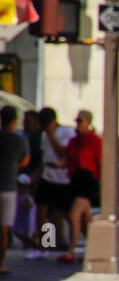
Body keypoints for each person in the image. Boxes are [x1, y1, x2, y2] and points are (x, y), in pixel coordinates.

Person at [28, 107, 73, 260]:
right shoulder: (45, 135)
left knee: (68, 214)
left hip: (63, 179)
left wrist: (52, 135)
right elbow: (44, 158)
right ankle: (45, 246)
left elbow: (62, 154)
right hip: (48, 178)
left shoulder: (66, 133)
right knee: (41, 212)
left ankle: (74, 245)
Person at [61, 109, 102, 264]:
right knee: (85, 218)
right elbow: (67, 159)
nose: (77, 124)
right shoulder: (74, 141)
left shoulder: (95, 140)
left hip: (88, 178)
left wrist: (101, 183)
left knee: (74, 215)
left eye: (80, 121)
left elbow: (99, 162)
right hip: (75, 178)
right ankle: (95, 249)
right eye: (77, 120)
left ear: (88, 122)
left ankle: (71, 250)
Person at [0, 106, 30, 273]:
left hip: (10, 185)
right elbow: (25, 161)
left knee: (47, 218)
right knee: (4, 228)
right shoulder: (19, 140)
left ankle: (47, 245)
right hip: (9, 186)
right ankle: (47, 246)